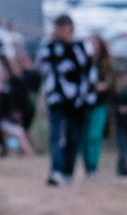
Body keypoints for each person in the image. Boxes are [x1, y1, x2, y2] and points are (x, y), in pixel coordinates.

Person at [39, 15, 93, 186]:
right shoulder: (50, 48)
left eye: (62, 27)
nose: (59, 30)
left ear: (70, 27)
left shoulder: (82, 47)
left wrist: (87, 97)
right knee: (56, 135)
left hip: (78, 100)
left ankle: (68, 171)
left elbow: (88, 73)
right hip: (56, 98)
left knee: (73, 137)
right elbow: (41, 67)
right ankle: (56, 170)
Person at [83, 34, 117, 178]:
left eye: (95, 44)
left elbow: (114, 85)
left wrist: (104, 87)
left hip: (99, 104)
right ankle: (87, 166)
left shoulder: (106, 65)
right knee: (84, 137)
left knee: (94, 136)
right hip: (83, 105)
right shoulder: (82, 62)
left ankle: (93, 167)